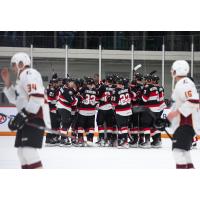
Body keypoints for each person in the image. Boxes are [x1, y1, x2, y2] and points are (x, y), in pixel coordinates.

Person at [0, 52, 50, 169]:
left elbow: (37, 96)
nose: (12, 68)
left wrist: (23, 115)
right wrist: (7, 82)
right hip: (28, 116)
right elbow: (15, 99)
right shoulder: (21, 79)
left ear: (20, 63)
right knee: (22, 152)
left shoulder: (29, 73)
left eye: (14, 64)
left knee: (28, 151)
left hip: (35, 116)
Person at [167, 60, 199, 169]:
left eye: (173, 69)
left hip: (186, 123)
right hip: (185, 124)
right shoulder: (182, 83)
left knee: (177, 151)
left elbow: (193, 101)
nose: (171, 71)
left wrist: (175, 113)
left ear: (176, 71)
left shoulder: (184, 83)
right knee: (184, 152)